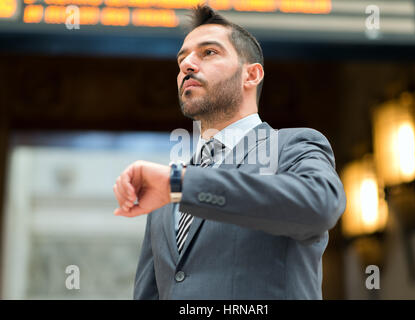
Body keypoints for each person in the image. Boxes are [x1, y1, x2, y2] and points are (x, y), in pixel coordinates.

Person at [112, 4, 346, 300]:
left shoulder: (294, 145)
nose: (187, 65)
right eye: (182, 59)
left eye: (209, 52)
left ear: (252, 75)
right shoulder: (166, 189)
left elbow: (320, 204)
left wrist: (180, 185)